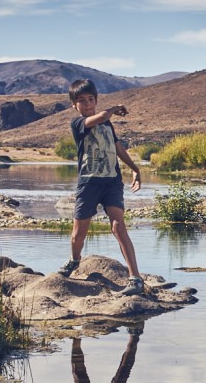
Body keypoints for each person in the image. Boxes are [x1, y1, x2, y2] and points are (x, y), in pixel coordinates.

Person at [59, 78, 144, 297]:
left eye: (90, 99)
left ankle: (135, 279)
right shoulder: (78, 124)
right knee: (79, 234)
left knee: (118, 226)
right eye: (81, 101)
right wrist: (113, 109)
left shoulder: (108, 124)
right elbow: (101, 117)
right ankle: (74, 261)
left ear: (96, 100)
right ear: (74, 105)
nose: (87, 104)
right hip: (89, 183)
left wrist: (135, 169)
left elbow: (118, 149)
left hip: (112, 182)